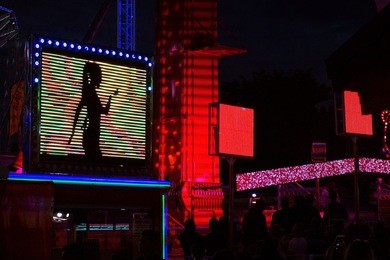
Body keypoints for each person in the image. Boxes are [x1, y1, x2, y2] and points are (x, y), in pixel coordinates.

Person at [69, 62, 116, 159]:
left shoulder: (92, 92)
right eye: (99, 75)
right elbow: (78, 110)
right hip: (90, 135)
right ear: (93, 76)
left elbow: (104, 111)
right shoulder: (89, 91)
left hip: (94, 135)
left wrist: (110, 97)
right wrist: (72, 134)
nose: (101, 78)